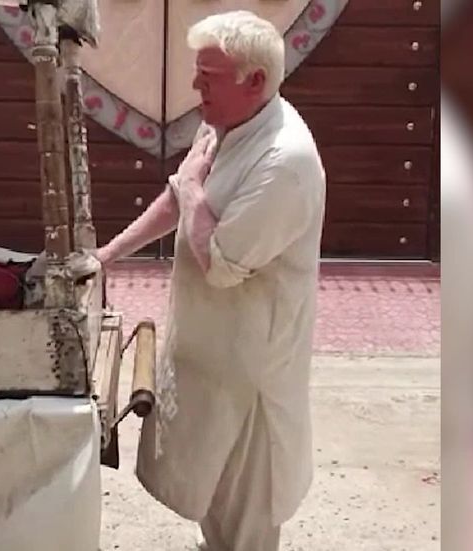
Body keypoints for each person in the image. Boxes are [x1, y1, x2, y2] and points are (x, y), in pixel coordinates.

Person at [93, 11, 325, 551]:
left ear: (256, 82)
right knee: (212, 492)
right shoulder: (225, 121)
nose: (195, 87)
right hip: (213, 356)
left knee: (246, 515)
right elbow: (180, 193)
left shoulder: (284, 162)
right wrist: (109, 254)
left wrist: (195, 190)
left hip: (252, 376)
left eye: (208, 77)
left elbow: (219, 261)